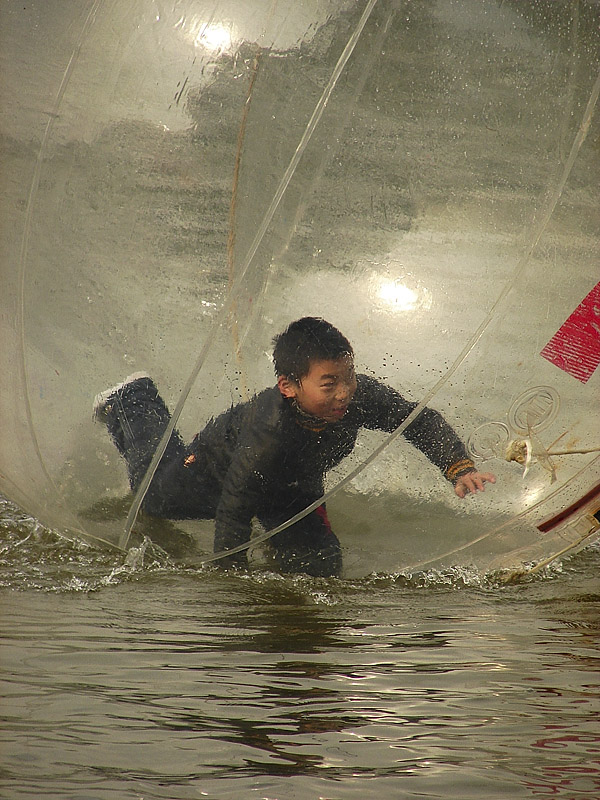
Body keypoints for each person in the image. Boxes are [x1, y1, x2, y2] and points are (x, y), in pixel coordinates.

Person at [94, 317, 495, 576]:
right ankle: (131, 400)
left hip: (292, 491)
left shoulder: (358, 397)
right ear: (289, 386)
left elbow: (418, 419)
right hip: (211, 474)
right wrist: (230, 590)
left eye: (349, 377)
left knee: (320, 570)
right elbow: (233, 512)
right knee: (153, 497)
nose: (344, 393)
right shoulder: (266, 437)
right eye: (329, 384)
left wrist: (459, 467)